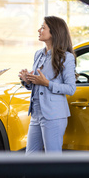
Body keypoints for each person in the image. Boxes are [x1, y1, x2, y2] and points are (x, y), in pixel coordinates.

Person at [19, 16, 77, 154]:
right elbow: (36, 84)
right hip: (36, 114)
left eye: (43, 27)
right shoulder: (38, 54)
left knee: (53, 158)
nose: (39, 30)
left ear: (54, 32)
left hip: (54, 115)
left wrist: (46, 83)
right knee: (30, 156)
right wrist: (27, 80)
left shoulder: (66, 57)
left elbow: (70, 88)